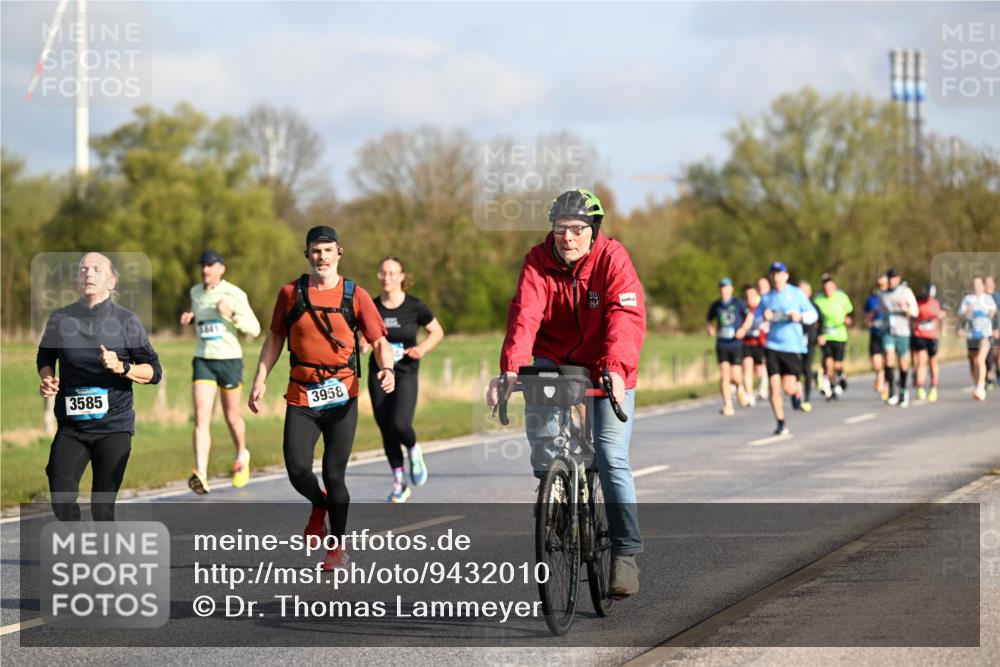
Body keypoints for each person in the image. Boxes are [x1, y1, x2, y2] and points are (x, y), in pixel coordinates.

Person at [486, 188, 645, 599]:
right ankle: (556, 494)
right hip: (554, 361)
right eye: (560, 229)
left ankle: (626, 555)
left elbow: (624, 319)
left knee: (611, 455)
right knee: (546, 445)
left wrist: (614, 368)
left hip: (607, 365)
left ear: (594, 231)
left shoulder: (613, 260)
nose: (568, 238)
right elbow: (525, 316)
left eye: (577, 229)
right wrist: (510, 369)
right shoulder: (538, 262)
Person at [248, 226, 396, 570]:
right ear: (307, 255)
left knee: (333, 474)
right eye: (316, 251)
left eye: (328, 250)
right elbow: (274, 339)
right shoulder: (290, 293)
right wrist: (259, 379)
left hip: (342, 397)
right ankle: (319, 504)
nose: (322, 257)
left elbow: (379, 342)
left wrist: (386, 370)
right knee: (298, 470)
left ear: (339, 253)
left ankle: (337, 548)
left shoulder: (355, 295)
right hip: (302, 395)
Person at [37, 252, 163, 521]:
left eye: (96, 269)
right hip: (72, 428)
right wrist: (47, 378)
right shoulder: (60, 319)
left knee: (102, 508)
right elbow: (45, 357)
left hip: (113, 428)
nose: (88, 274)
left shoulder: (126, 321)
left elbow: (154, 371)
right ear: (76, 279)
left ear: (111, 280)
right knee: (61, 499)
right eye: (82, 269)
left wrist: (123, 367)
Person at [179, 250, 261, 494]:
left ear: (221, 269)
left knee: (231, 418)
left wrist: (231, 314)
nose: (205, 270)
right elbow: (203, 319)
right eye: (203, 265)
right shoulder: (195, 292)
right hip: (203, 359)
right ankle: (201, 473)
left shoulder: (234, 294)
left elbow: (255, 329)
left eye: (211, 266)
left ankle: (241, 454)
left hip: (229, 360)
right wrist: (191, 318)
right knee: (202, 417)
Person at [365, 257, 444, 503]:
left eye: (392, 273)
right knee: (385, 427)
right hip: (378, 371)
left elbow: (437, 331)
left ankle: (413, 449)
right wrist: (363, 343)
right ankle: (399, 482)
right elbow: (364, 336)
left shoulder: (415, 307)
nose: (387, 277)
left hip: (406, 370)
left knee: (400, 424)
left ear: (402, 277)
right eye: (383, 272)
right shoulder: (372, 307)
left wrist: (421, 349)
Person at [755, 262, 818, 436]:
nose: (776, 277)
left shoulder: (796, 294)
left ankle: (796, 390)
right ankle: (781, 423)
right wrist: (763, 318)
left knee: (788, 388)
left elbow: (813, 315)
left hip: (792, 346)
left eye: (779, 274)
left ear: (786, 276)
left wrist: (800, 316)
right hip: (773, 346)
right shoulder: (767, 297)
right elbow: (755, 320)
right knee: (773, 387)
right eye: (773, 274)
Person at [706, 278, 751, 415]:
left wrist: (743, 329)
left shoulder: (738, 303)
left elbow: (749, 317)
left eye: (726, 287)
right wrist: (710, 329)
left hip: (735, 343)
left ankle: (740, 388)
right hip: (722, 343)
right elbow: (708, 319)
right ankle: (728, 404)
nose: (723, 290)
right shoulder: (716, 305)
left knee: (735, 375)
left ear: (731, 289)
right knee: (724, 374)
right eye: (721, 288)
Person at [879, 268, 919, 407]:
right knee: (889, 359)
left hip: (903, 331)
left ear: (899, 279)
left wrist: (905, 308)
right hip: (888, 331)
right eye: (890, 278)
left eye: (894, 278)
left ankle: (903, 391)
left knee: (903, 362)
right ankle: (891, 392)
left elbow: (915, 312)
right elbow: (882, 312)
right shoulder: (883, 294)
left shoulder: (905, 292)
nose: (892, 281)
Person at [813, 274, 854, 401]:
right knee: (828, 364)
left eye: (830, 287)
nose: (828, 290)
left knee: (837, 365)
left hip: (840, 335)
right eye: (825, 288)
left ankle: (841, 376)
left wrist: (849, 320)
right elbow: (814, 319)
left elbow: (851, 313)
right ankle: (831, 386)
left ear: (834, 287)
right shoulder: (818, 299)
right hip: (825, 336)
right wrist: (818, 334)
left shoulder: (841, 297)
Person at [958, 277, 997, 401]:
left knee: (980, 359)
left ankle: (980, 387)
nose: (977, 286)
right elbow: (961, 315)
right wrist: (966, 314)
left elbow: (993, 313)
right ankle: (977, 384)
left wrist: (990, 312)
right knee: (973, 361)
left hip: (985, 334)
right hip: (971, 334)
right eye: (974, 284)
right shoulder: (968, 299)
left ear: (982, 286)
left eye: (979, 284)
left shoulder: (987, 299)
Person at [911, 283, 944, 402]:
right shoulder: (918, 303)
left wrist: (938, 315)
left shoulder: (936, 303)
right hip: (920, 335)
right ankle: (920, 388)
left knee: (933, 362)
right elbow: (913, 316)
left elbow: (942, 314)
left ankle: (934, 387)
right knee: (921, 362)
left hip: (932, 337)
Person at [740, 284, 767, 406]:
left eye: (751, 294)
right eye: (747, 295)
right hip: (747, 341)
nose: (749, 297)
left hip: (760, 341)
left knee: (760, 370)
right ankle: (749, 394)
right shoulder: (743, 307)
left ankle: (763, 387)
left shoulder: (762, 305)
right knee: (747, 367)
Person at [795, 280, 820, 412]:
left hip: (809, 342)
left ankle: (807, 398)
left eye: (804, 291)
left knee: (806, 368)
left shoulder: (814, 307)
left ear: (809, 293)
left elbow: (821, 322)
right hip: (795, 343)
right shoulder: (793, 307)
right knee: (796, 370)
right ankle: (797, 394)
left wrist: (820, 336)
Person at [863, 274, 889, 399]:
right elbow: (866, 316)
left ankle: (884, 383)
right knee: (875, 364)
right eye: (879, 285)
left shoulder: (891, 297)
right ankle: (880, 377)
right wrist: (869, 321)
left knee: (886, 361)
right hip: (875, 334)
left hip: (888, 334)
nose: (882, 287)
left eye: (884, 285)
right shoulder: (871, 299)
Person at [986, 275, 1000, 390]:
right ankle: (988, 379)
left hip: (997, 331)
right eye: (986, 283)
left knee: (997, 357)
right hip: (984, 332)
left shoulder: (997, 297)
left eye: (990, 283)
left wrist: (997, 329)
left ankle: (997, 374)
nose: (988, 285)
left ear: (994, 285)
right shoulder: (981, 298)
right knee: (987, 356)